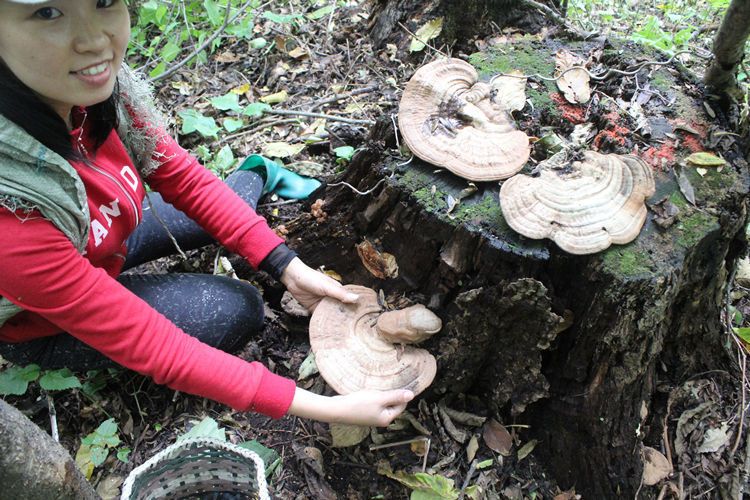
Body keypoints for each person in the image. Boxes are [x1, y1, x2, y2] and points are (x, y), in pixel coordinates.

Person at [0, 0, 413, 426]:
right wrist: (326, 408)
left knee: (221, 207)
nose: (93, 40)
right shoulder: (10, 220)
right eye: (47, 12)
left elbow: (183, 179)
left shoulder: (90, 91)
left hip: (107, 233)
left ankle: (255, 176)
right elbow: (155, 346)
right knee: (240, 308)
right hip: (44, 320)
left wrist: (286, 265)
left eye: (104, 1)